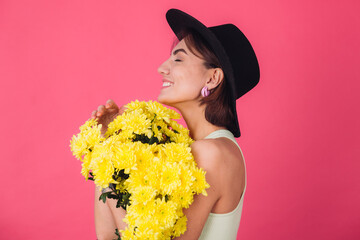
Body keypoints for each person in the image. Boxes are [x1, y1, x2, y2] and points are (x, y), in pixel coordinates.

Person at [92, 8, 259, 240]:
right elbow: (108, 236)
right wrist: (109, 143)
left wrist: (110, 158)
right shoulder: (198, 148)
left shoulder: (211, 154)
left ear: (212, 78)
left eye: (178, 59)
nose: (162, 68)